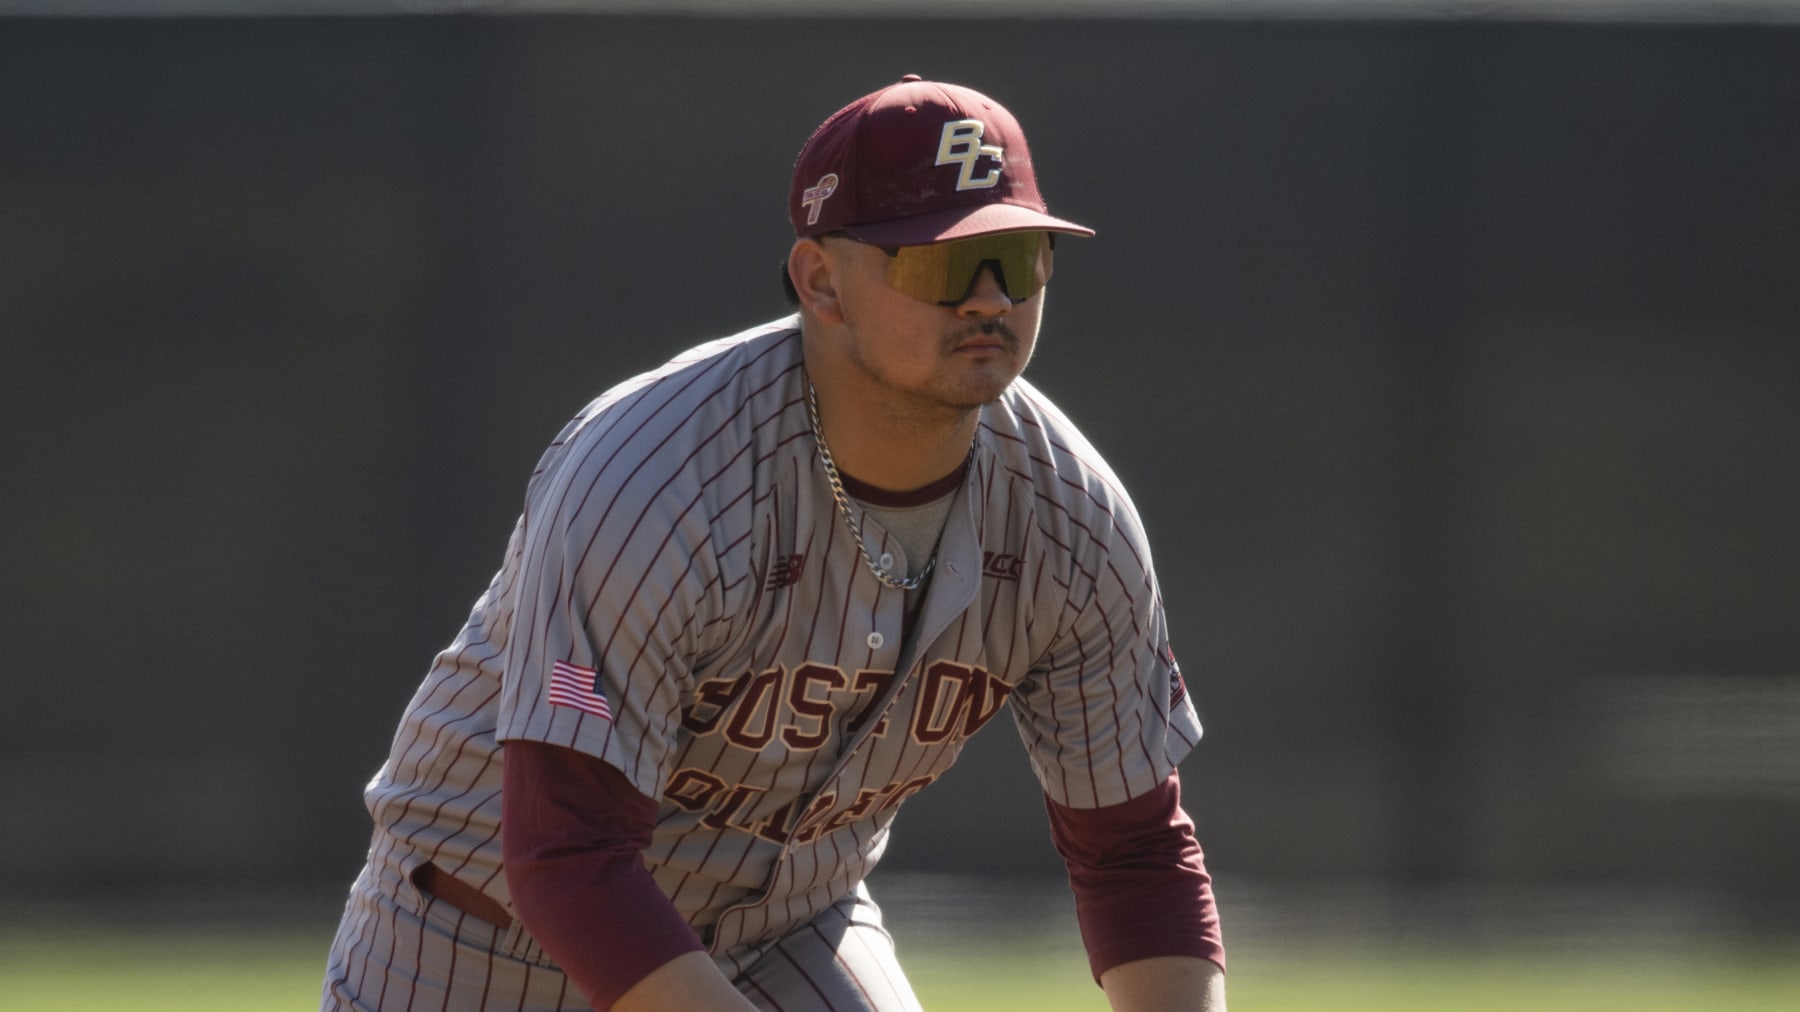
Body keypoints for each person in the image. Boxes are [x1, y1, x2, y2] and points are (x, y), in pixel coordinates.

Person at [321, 74, 1225, 1012]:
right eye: (942, 263)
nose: (990, 299)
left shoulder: (1072, 518)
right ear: (821, 282)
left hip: (785, 927)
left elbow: (1135, 850)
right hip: (484, 935)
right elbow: (568, 850)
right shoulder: (654, 480)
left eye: (1020, 257)